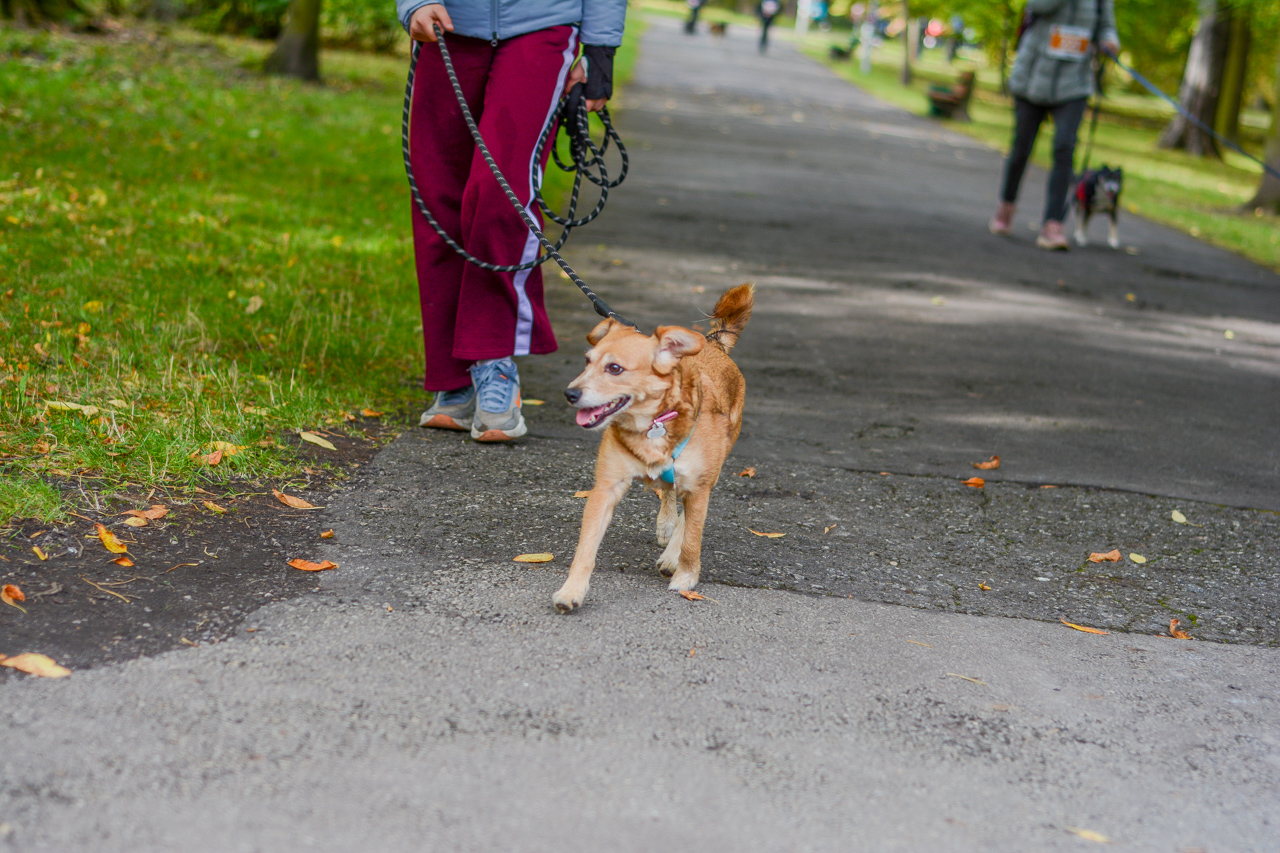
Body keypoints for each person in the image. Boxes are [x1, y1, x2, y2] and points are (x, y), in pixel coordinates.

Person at [396, 0, 628, 441]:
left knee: (500, 193)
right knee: (438, 200)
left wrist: (600, 51)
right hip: (449, 25)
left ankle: (493, 361)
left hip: (540, 26)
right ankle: (454, 382)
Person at [989, 0, 1118, 250]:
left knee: (1064, 147)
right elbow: (1038, 6)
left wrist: (1109, 41)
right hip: (1032, 77)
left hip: (1075, 82)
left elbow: (1106, 26)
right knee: (1021, 147)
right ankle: (1006, 204)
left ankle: (1053, 223)